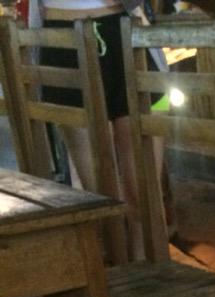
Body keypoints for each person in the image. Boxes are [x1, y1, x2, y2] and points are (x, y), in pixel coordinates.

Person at [35, 0, 165, 259]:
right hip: (62, 37)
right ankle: (120, 270)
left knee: (143, 192)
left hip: (125, 29)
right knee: (100, 196)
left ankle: (148, 268)